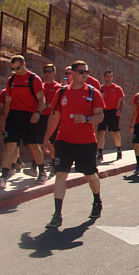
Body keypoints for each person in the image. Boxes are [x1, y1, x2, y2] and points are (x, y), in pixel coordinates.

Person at [44, 60, 105, 228]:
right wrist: (47, 138)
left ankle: (97, 200)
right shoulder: (62, 92)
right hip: (64, 140)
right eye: (81, 72)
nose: (85, 74)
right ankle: (57, 214)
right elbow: (55, 116)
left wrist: (86, 119)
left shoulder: (93, 93)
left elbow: (99, 117)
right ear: (72, 73)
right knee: (61, 174)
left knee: (90, 175)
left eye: (86, 71)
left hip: (86, 142)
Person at [0, 55, 47, 189]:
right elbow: (8, 101)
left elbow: (41, 99)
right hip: (14, 116)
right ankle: (3, 177)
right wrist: (5, 119)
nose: (16, 71)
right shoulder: (11, 80)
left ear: (24, 64)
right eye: (13, 69)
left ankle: (42, 172)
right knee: (10, 145)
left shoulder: (34, 79)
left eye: (17, 68)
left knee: (34, 145)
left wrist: (38, 113)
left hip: (30, 116)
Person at [39, 64, 62, 177]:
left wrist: (47, 105)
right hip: (42, 117)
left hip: (53, 117)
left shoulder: (58, 87)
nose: (47, 73)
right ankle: (38, 167)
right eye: (45, 71)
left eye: (49, 71)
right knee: (39, 142)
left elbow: (57, 104)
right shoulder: (41, 86)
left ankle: (53, 164)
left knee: (52, 142)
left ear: (54, 73)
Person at [98, 70, 126, 162]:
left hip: (113, 112)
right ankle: (100, 153)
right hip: (103, 112)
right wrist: (100, 97)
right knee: (101, 132)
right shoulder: (101, 88)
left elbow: (122, 102)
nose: (108, 78)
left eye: (110, 76)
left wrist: (119, 110)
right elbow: (96, 101)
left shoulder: (117, 88)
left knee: (115, 132)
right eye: (107, 76)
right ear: (104, 77)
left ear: (112, 77)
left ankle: (118, 150)